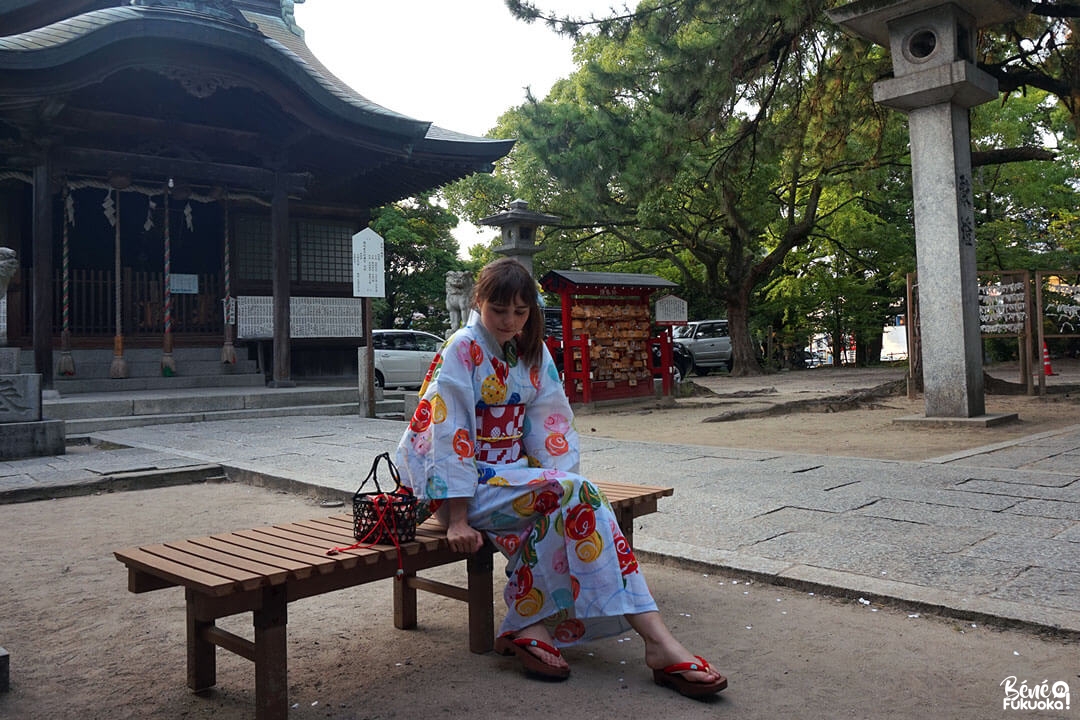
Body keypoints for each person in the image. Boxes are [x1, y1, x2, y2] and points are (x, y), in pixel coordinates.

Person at [395, 257, 726, 697]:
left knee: (575, 497)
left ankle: (533, 625)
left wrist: (561, 486)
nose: (510, 322)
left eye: (520, 311)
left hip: (512, 483)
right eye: (499, 310)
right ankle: (655, 643)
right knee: (576, 494)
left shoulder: (531, 353)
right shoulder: (462, 347)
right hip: (460, 487)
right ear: (479, 302)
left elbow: (551, 423)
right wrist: (456, 517)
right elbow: (446, 430)